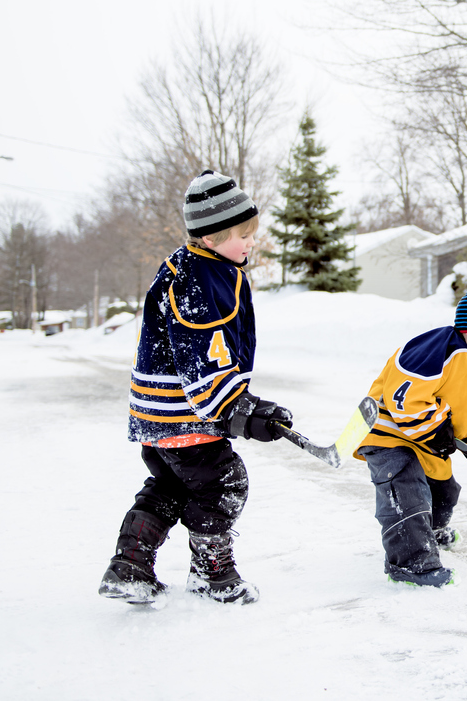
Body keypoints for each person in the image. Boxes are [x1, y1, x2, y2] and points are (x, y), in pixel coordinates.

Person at [99, 170, 291, 606]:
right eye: (241, 234)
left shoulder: (195, 267)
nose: (249, 242)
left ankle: (130, 565)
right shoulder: (201, 279)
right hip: (185, 412)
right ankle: (212, 574)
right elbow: (203, 357)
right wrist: (240, 409)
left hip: (158, 416)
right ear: (211, 235)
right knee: (225, 482)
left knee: (172, 483)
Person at [354, 281, 467, 587]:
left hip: (427, 443)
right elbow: (404, 396)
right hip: (392, 437)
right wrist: (435, 425)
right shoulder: (437, 348)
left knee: (445, 492)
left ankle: (428, 530)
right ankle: (413, 561)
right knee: (408, 492)